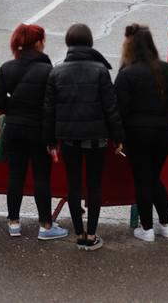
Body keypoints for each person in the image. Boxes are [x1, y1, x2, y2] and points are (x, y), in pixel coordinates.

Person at [44, 23, 123, 251]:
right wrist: (118, 137)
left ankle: (78, 231)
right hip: (97, 136)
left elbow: (49, 111)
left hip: (69, 138)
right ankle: (92, 232)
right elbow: (111, 108)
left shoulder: (57, 71)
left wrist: (50, 141)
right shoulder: (100, 70)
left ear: (68, 43)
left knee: (74, 184)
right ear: (89, 43)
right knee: (95, 184)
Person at [0, 24, 66, 240]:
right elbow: (54, 105)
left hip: (14, 128)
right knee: (41, 177)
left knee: (16, 175)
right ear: (39, 43)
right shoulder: (47, 70)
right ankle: (45, 225)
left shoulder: (7, 68)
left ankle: (14, 222)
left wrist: (12, 108)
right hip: (39, 130)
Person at [114, 24, 168, 242]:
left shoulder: (127, 74)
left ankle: (146, 228)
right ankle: (165, 223)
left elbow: (119, 109)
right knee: (155, 177)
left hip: (137, 134)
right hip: (163, 132)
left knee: (143, 179)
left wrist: (119, 136)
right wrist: (165, 118)